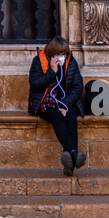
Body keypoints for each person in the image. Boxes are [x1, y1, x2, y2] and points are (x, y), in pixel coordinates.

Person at [28, 36, 88, 175]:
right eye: (58, 54)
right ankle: (73, 153)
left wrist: (65, 104)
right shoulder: (38, 61)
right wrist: (52, 72)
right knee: (56, 115)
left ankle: (69, 159)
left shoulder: (70, 62)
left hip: (65, 101)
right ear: (51, 54)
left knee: (71, 115)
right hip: (45, 102)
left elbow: (78, 87)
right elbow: (35, 84)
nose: (61, 57)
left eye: (63, 54)